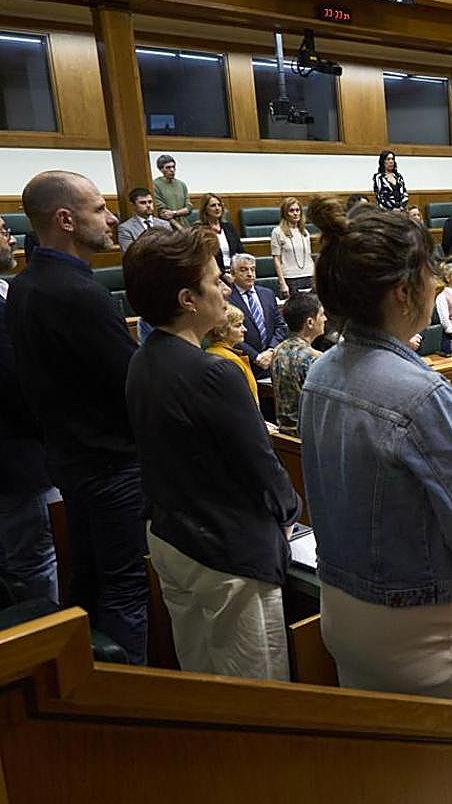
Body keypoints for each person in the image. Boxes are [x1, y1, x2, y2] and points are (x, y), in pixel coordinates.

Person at [300, 196, 452, 701]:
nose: (437, 284)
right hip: (422, 632)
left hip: (341, 609)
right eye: (430, 274)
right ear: (404, 293)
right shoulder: (424, 395)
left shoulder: (320, 372)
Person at [124, 226, 300, 680]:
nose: (224, 289)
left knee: (201, 676)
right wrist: (289, 510)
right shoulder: (214, 373)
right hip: (227, 554)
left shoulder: (142, 358)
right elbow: (261, 466)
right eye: (215, 280)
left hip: (171, 538)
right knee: (257, 690)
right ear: (188, 299)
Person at [6, 171, 146, 663]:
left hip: (68, 460)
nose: (111, 219)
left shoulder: (25, 285)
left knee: (89, 578)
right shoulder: (78, 293)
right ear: (65, 220)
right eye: (99, 209)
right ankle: (129, 694)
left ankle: (92, 681)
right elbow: (132, 380)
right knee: (126, 588)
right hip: (111, 464)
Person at [0, 220, 57, 603]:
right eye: (2, 231)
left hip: (25, 454)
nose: (11, 238)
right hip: (19, 461)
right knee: (36, 565)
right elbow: (16, 381)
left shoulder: (10, 290)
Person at [271, 293, 325, 435]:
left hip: (285, 433)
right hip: (308, 434)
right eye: (321, 315)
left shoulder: (278, 350)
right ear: (310, 322)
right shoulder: (314, 358)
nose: (325, 319)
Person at [227, 253, 288, 372]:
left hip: (271, 361)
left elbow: (280, 326)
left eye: (253, 269)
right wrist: (256, 357)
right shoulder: (227, 299)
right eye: (243, 270)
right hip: (244, 363)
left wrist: (271, 350)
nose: (250, 274)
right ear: (233, 274)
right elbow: (228, 334)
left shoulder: (268, 294)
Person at [204, 303, 259, 403]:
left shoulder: (209, 352)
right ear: (221, 330)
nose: (244, 329)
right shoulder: (230, 359)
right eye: (238, 325)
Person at [194, 193, 243, 281]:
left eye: (219, 205)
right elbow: (203, 258)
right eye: (213, 205)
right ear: (205, 209)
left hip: (235, 273)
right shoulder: (200, 230)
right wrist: (223, 274)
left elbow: (240, 251)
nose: (217, 208)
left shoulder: (229, 227)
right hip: (213, 275)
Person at [271, 197, 314, 296]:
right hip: (290, 278)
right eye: (291, 211)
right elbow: (276, 259)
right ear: (285, 213)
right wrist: (282, 283)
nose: (295, 213)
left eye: (297, 210)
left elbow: (309, 256)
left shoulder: (304, 232)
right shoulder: (277, 232)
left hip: (309, 275)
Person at [117, 187, 170, 251]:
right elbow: (129, 253)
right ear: (133, 205)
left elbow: (172, 248)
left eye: (150, 202)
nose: (148, 205)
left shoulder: (165, 224)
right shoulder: (126, 228)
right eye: (143, 203)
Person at [152, 154, 193, 229]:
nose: (172, 170)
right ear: (161, 169)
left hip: (184, 224)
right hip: (166, 226)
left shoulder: (181, 184)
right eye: (168, 167)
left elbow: (189, 207)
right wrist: (179, 228)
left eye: (173, 167)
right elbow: (163, 213)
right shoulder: (155, 185)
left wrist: (174, 213)